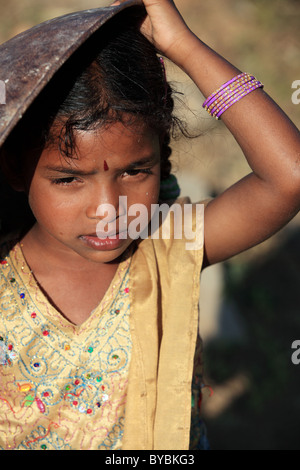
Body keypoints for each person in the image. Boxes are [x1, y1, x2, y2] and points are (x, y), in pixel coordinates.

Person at [0, 0, 299, 451]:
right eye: (68, 179)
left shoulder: (165, 244)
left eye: (135, 171)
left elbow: (289, 178)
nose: (108, 209)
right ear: (15, 170)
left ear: (163, 155)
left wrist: (184, 46)